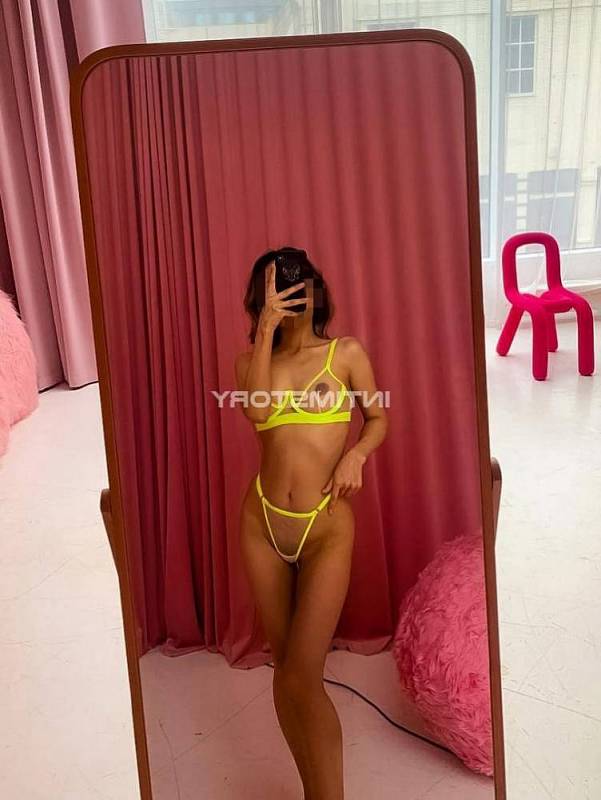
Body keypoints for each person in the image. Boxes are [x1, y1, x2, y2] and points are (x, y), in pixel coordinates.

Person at [234, 246, 387, 800]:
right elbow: (256, 409)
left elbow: (377, 416)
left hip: (324, 527)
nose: (287, 295)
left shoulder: (345, 354)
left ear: (315, 290)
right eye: (272, 289)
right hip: (262, 524)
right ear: (259, 298)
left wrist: (357, 455)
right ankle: (312, 790)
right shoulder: (250, 363)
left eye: (295, 285)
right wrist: (267, 329)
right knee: (285, 672)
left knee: (303, 676)